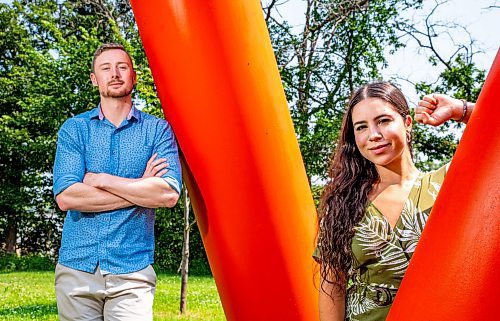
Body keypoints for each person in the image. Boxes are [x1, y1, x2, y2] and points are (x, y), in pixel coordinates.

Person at [315, 81, 475, 321]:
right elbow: (332, 288)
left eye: (383, 121)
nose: (373, 135)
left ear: (407, 124)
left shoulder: (447, 184)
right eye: (361, 127)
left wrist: (461, 110)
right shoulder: (342, 203)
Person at [52, 43, 182, 321]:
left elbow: (168, 194)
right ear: (94, 79)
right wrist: (139, 188)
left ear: (134, 76)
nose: (115, 74)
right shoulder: (75, 129)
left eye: (122, 67)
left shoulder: (157, 130)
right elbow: (67, 198)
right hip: (77, 269)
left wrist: (100, 179)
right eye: (106, 68)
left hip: (132, 271)